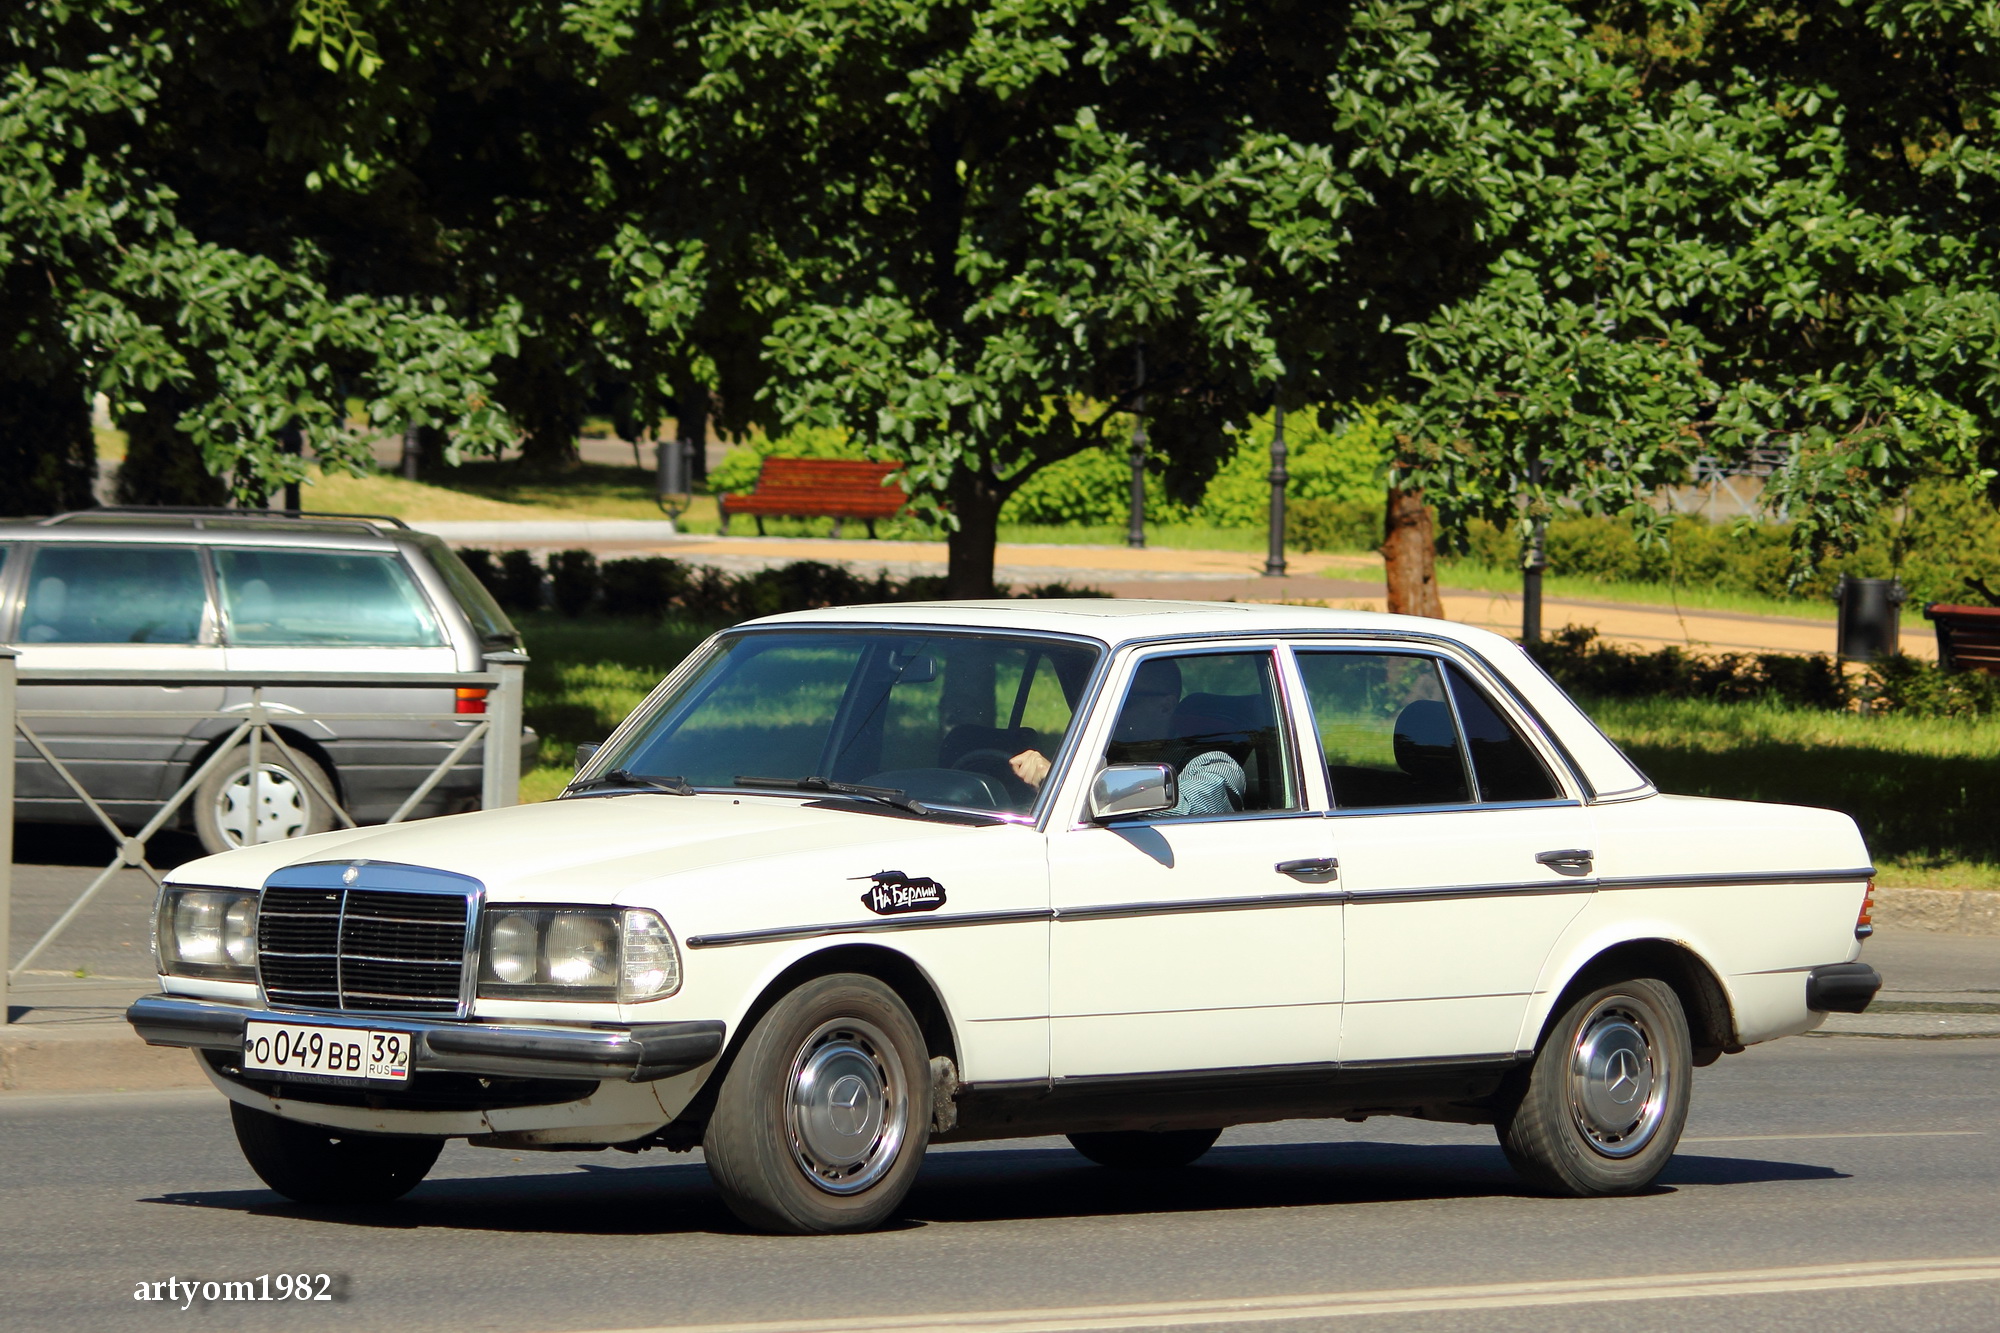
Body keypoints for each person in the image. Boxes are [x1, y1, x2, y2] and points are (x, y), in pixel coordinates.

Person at [1008, 657, 1245, 815]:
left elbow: (1191, 809)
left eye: (1125, 701)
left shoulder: (1213, 763)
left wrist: (1061, 784)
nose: (1110, 710)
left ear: (1166, 706)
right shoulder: (1095, 754)